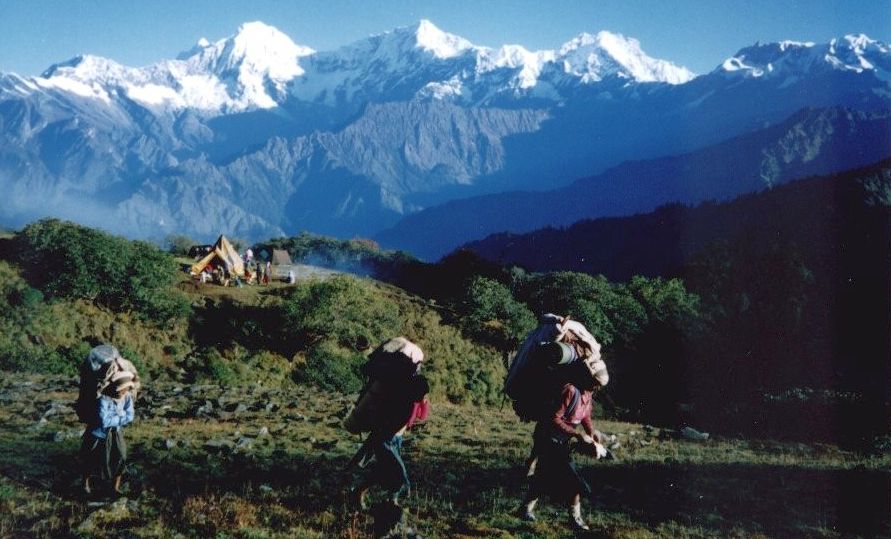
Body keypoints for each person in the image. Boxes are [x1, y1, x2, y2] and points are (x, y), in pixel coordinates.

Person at [519, 321, 609, 532]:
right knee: (573, 481)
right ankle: (574, 519)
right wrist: (577, 435)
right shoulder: (569, 390)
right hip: (551, 439)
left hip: (563, 441)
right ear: (588, 377)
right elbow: (554, 418)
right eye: (595, 384)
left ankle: (524, 509)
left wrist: (591, 432)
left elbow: (585, 415)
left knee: (543, 477)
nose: (596, 388)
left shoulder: (587, 394)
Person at [346, 338, 430, 534]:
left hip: (390, 428)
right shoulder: (408, 383)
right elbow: (416, 411)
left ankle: (361, 493)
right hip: (390, 429)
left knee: (386, 463)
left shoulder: (396, 380)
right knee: (393, 466)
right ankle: (394, 499)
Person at [80, 367, 137, 496]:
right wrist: (121, 416)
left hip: (115, 432)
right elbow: (104, 421)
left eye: (126, 388)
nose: (124, 391)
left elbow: (130, 416)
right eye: (122, 388)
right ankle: (85, 484)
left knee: (121, 456)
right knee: (91, 458)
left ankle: (114, 487)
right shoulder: (104, 399)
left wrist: (116, 418)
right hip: (98, 433)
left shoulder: (127, 398)